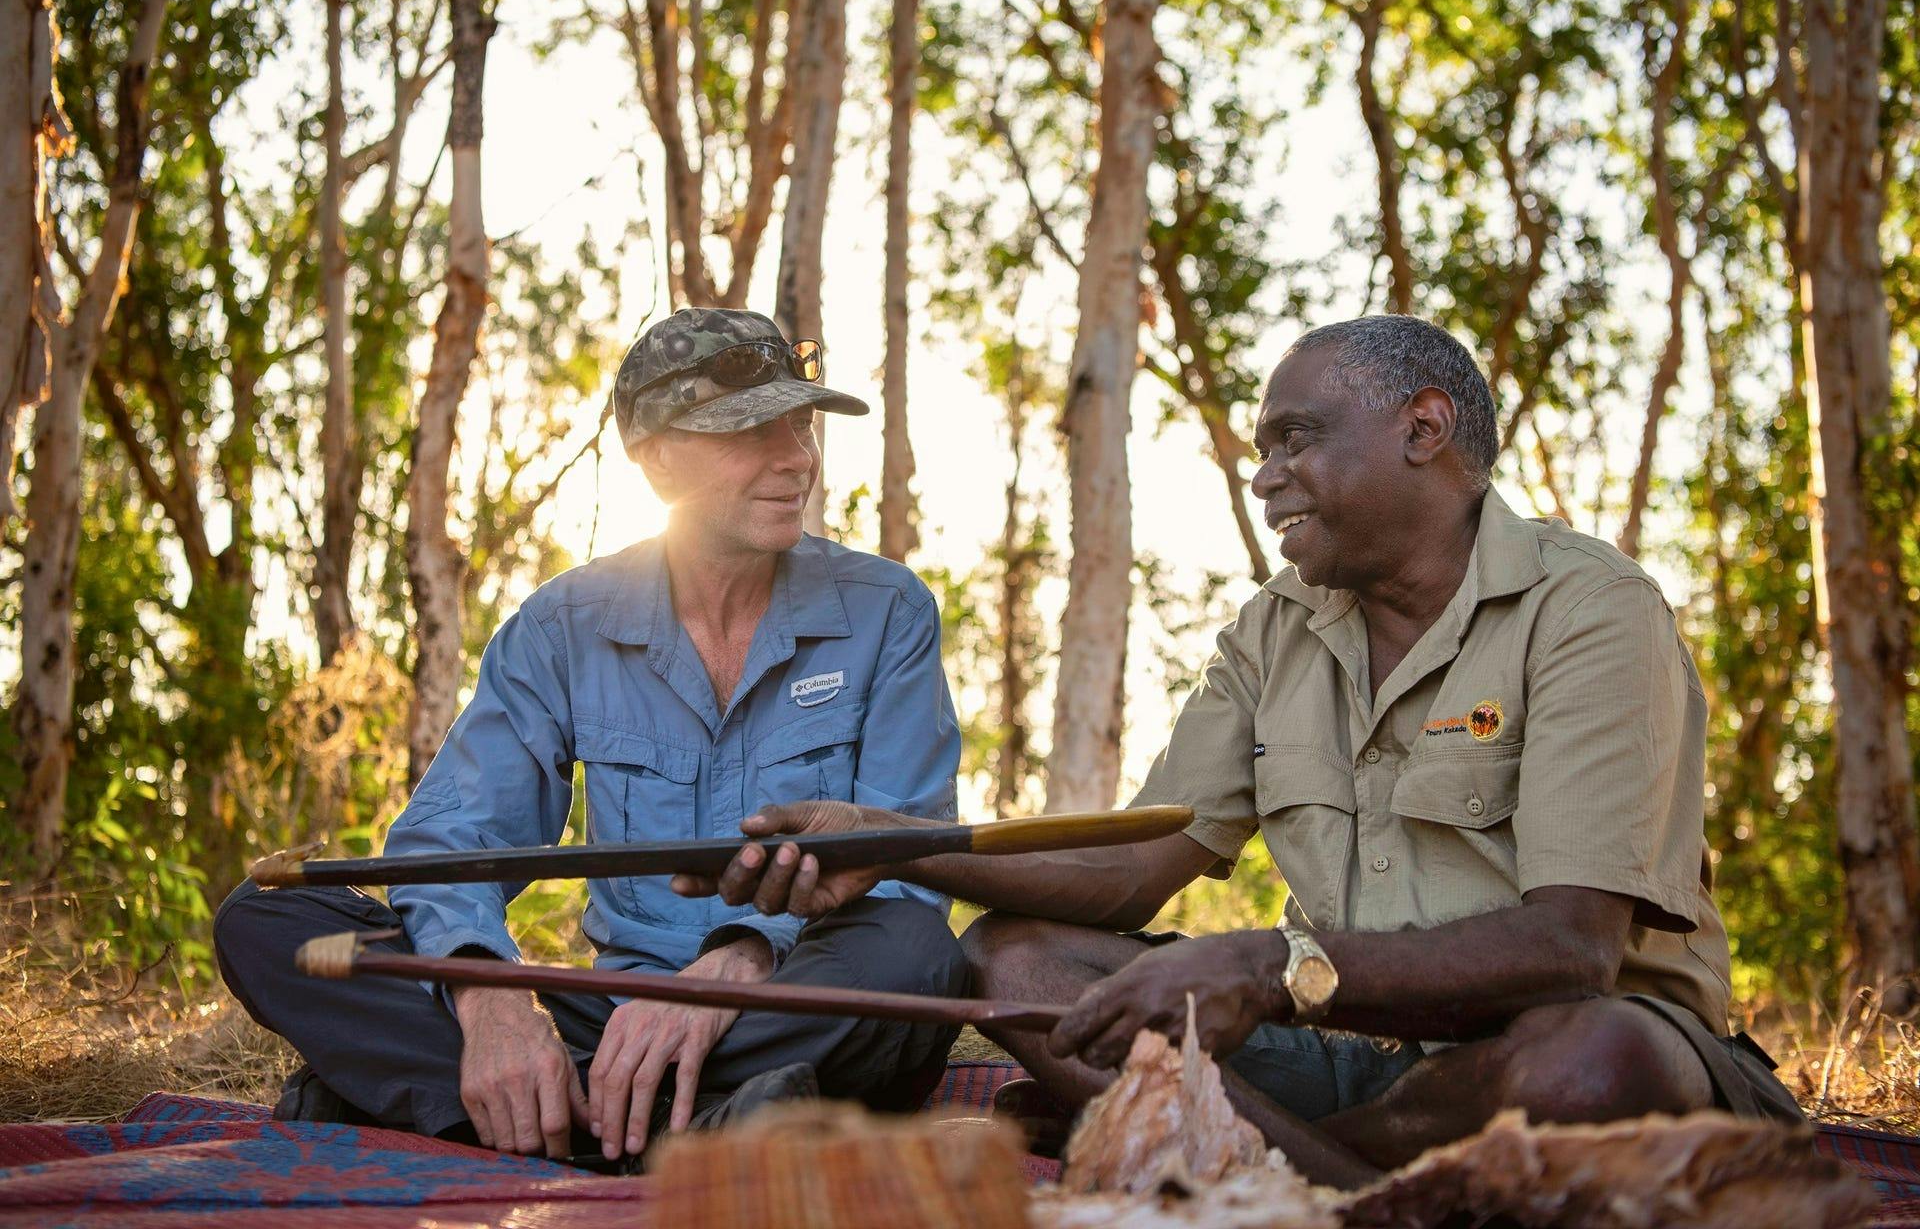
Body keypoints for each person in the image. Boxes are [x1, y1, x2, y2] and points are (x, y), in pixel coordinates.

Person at [684, 314, 1802, 1187]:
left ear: (1424, 429)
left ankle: (1254, 1171)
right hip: (1360, 1058)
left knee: (1596, 1065)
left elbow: (1570, 950)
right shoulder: (1278, 627)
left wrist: (1270, 966)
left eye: (1295, 438)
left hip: (1555, 1051)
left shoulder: (1591, 609)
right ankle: (1327, 1185)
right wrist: (883, 839)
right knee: (1021, 965)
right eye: (1263, 448)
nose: (1265, 475)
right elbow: (1130, 867)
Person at [215, 308, 967, 1166]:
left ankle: (516, 1117)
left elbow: (908, 864)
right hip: (608, 1016)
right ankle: (687, 1127)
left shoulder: (889, 610)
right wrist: (496, 1005)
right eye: (752, 431)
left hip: (788, 997)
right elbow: (448, 845)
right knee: (270, 919)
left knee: (916, 958)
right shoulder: (560, 625)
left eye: (800, 424)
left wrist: (742, 960)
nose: (797, 456)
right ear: (656, 456)